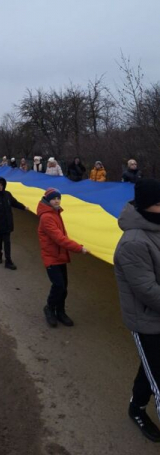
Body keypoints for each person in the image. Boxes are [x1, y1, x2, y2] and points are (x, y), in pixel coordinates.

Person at [114, 179, 160, 442]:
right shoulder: (133, 242)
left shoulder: (156, 226)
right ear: (145, 206)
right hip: (147, 322)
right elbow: (148, 291)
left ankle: (136, 407)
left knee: (151, 368)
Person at [37, 188, 89, 328]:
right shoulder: (47, 217)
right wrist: (79, 248)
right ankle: (49, 308)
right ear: (48, 200)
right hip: (51, 257)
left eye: (58, 198)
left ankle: (60, 311)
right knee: (59, 285)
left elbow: (63, 235)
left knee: (63, 287)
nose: (57, 200)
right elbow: (59, 238)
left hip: (60, 255)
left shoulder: (56, 212)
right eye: (54, 198)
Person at [0, 177, 29, 270]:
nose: (0, 187)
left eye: (2, 185)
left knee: (7, 242)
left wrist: (24, 207)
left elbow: (15, 203)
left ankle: (8, 261)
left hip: (7, 224)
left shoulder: (7, 195)